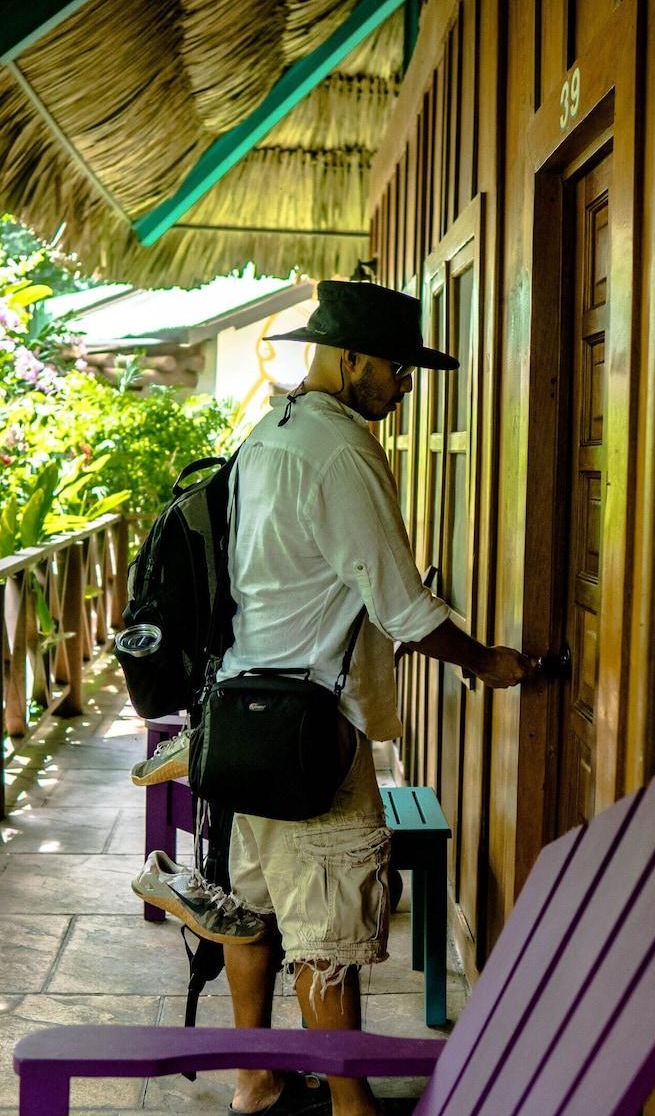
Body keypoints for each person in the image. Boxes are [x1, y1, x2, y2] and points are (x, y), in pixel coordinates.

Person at [216, 280, 532, 1116]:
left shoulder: (265, 435)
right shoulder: (340, 448)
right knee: (327, 940)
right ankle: (353, 1108)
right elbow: (402, 605)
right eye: (397, 368)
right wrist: (487, 659)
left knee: (252, 910)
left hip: (249, 710)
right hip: (312, 728)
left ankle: (255, 1081)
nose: (404, 386)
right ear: (349, 357)